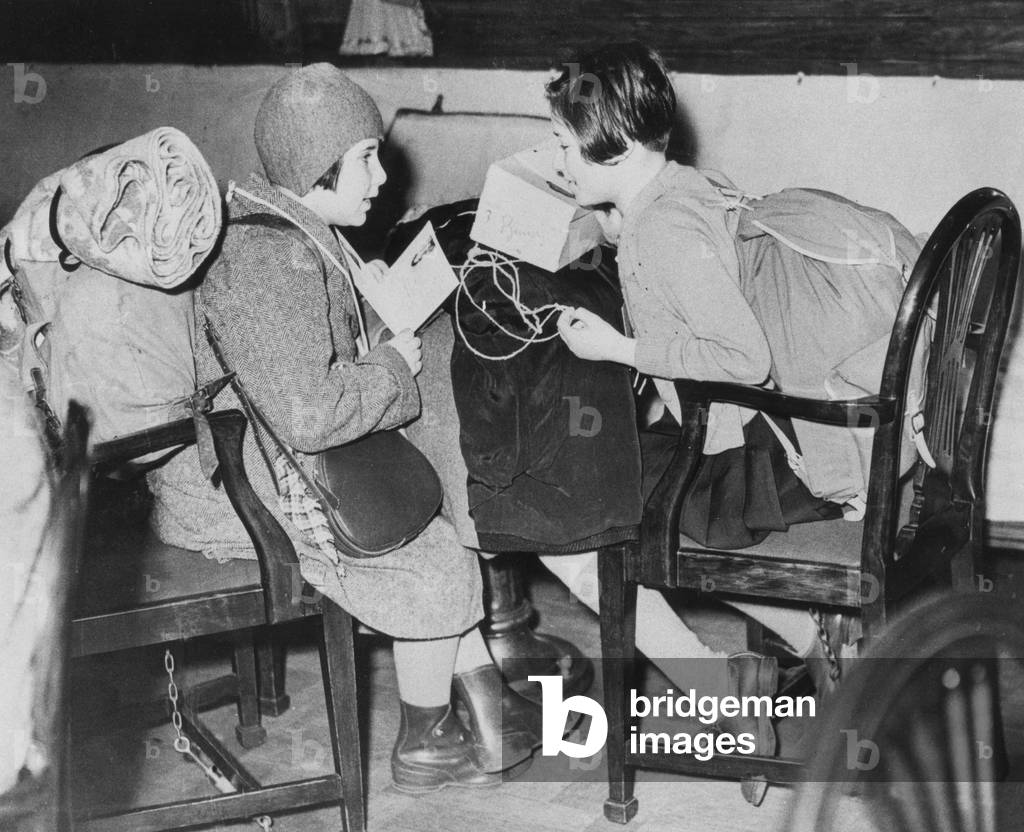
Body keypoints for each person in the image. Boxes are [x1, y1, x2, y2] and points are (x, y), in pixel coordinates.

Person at [540, 42, 921, 804]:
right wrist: (616, 229)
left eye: (563, 143)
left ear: (611, 146)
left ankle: (718, 692)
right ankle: (814, 638)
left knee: (562, 521)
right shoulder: (683, 186)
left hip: (751, 463)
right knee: (606, 475)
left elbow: (741, 358)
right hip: (794, 438)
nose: (554, 157)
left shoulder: (663, 233)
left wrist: (620, 344)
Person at [149, 63, 542, 793]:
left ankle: (478, 709)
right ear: (312, 163)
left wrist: (383, 336)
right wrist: (392, 366)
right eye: (364, 156)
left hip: (279, 459)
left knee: (438, 530)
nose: (380, 176)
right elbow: (308, 414)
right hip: (235, 486)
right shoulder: (267, 257)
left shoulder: (299, 235)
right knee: (427, 559)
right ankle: (429, 737)